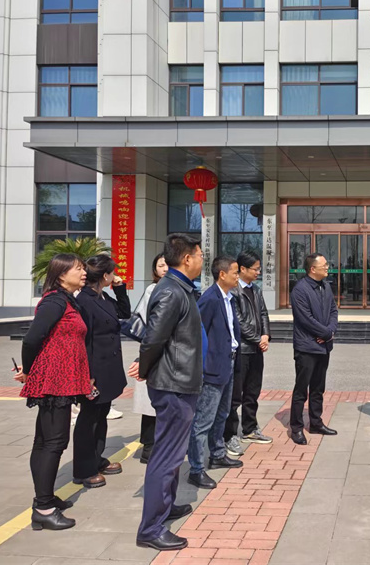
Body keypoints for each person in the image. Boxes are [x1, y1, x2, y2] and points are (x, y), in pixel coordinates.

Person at [129, 233, 204, 551]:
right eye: (199, 255)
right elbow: (153, 340)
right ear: (187, 258)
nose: (202, 260)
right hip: (173, 385)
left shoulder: (180, 289)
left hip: (180, 382)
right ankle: (151, 529)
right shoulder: (172, 291)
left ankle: (165, 505)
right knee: (167, 455)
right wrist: (145, 370)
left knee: (173, 454)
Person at [17, 254, 91, 531]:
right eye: (78, 269)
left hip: (61, 379)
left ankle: (45, 498)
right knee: (54, 442)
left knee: (45, 441)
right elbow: (32, 339)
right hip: (54, 381)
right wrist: (28, 370)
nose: (83, 273)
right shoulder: (54, 301)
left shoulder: (67, 300)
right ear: (61, 274)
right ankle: (44, 508)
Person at [73, 255, 130, 489]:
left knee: (101, 415)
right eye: (112, 273)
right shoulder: (84, 300)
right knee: (89, 420)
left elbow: (124, 312)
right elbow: (84, 341)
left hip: (108, 367)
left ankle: (96, 459)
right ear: (105, 275)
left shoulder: (102, 295)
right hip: (94, 369)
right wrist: (88, 375)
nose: (115, 276)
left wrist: (120, 288)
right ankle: (83, 469)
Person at [187, 255, 244, 489]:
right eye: (235, 272)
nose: (238, 276)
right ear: (222, 274)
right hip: (212, 368)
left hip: (228, 363)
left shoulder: (229, 298)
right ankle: (196, 468)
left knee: (222, 414)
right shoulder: (209, 299)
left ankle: (218, 454)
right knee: (203, 420)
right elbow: (196, 333)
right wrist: (203, 366)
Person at [225, 250, 272, 459]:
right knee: (235, 395)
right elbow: (238, 321)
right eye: (255, 269)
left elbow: (263, 313)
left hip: (256, 349)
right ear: (242, 269)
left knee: (253, 391)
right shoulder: (234, 291)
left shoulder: (256, 290)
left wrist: (266, 335)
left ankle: (250, 428)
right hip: (241, 350)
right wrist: (257, 338)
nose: (258, 272)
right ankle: (229, 435)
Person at [289, 253, 338, 445]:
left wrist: (329, 331)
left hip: (323, 346)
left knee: (318, 388)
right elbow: (305, 319)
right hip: (307, 347)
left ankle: (316, 423)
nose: (327, 267)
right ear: (312, 269)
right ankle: (296, 428)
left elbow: (333, 310)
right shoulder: (300, 290)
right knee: (301, 389)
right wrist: (325, 333)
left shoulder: (326, 286)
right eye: (324, 265)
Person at [130, 253, 168, 464]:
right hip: (153, 350)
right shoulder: (152, 290)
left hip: (169, 353)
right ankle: (149, 446)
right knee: (150, 404)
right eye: (160, 265)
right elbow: (143, 321)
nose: (164, 268)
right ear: (155, 269)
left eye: (167, 264)